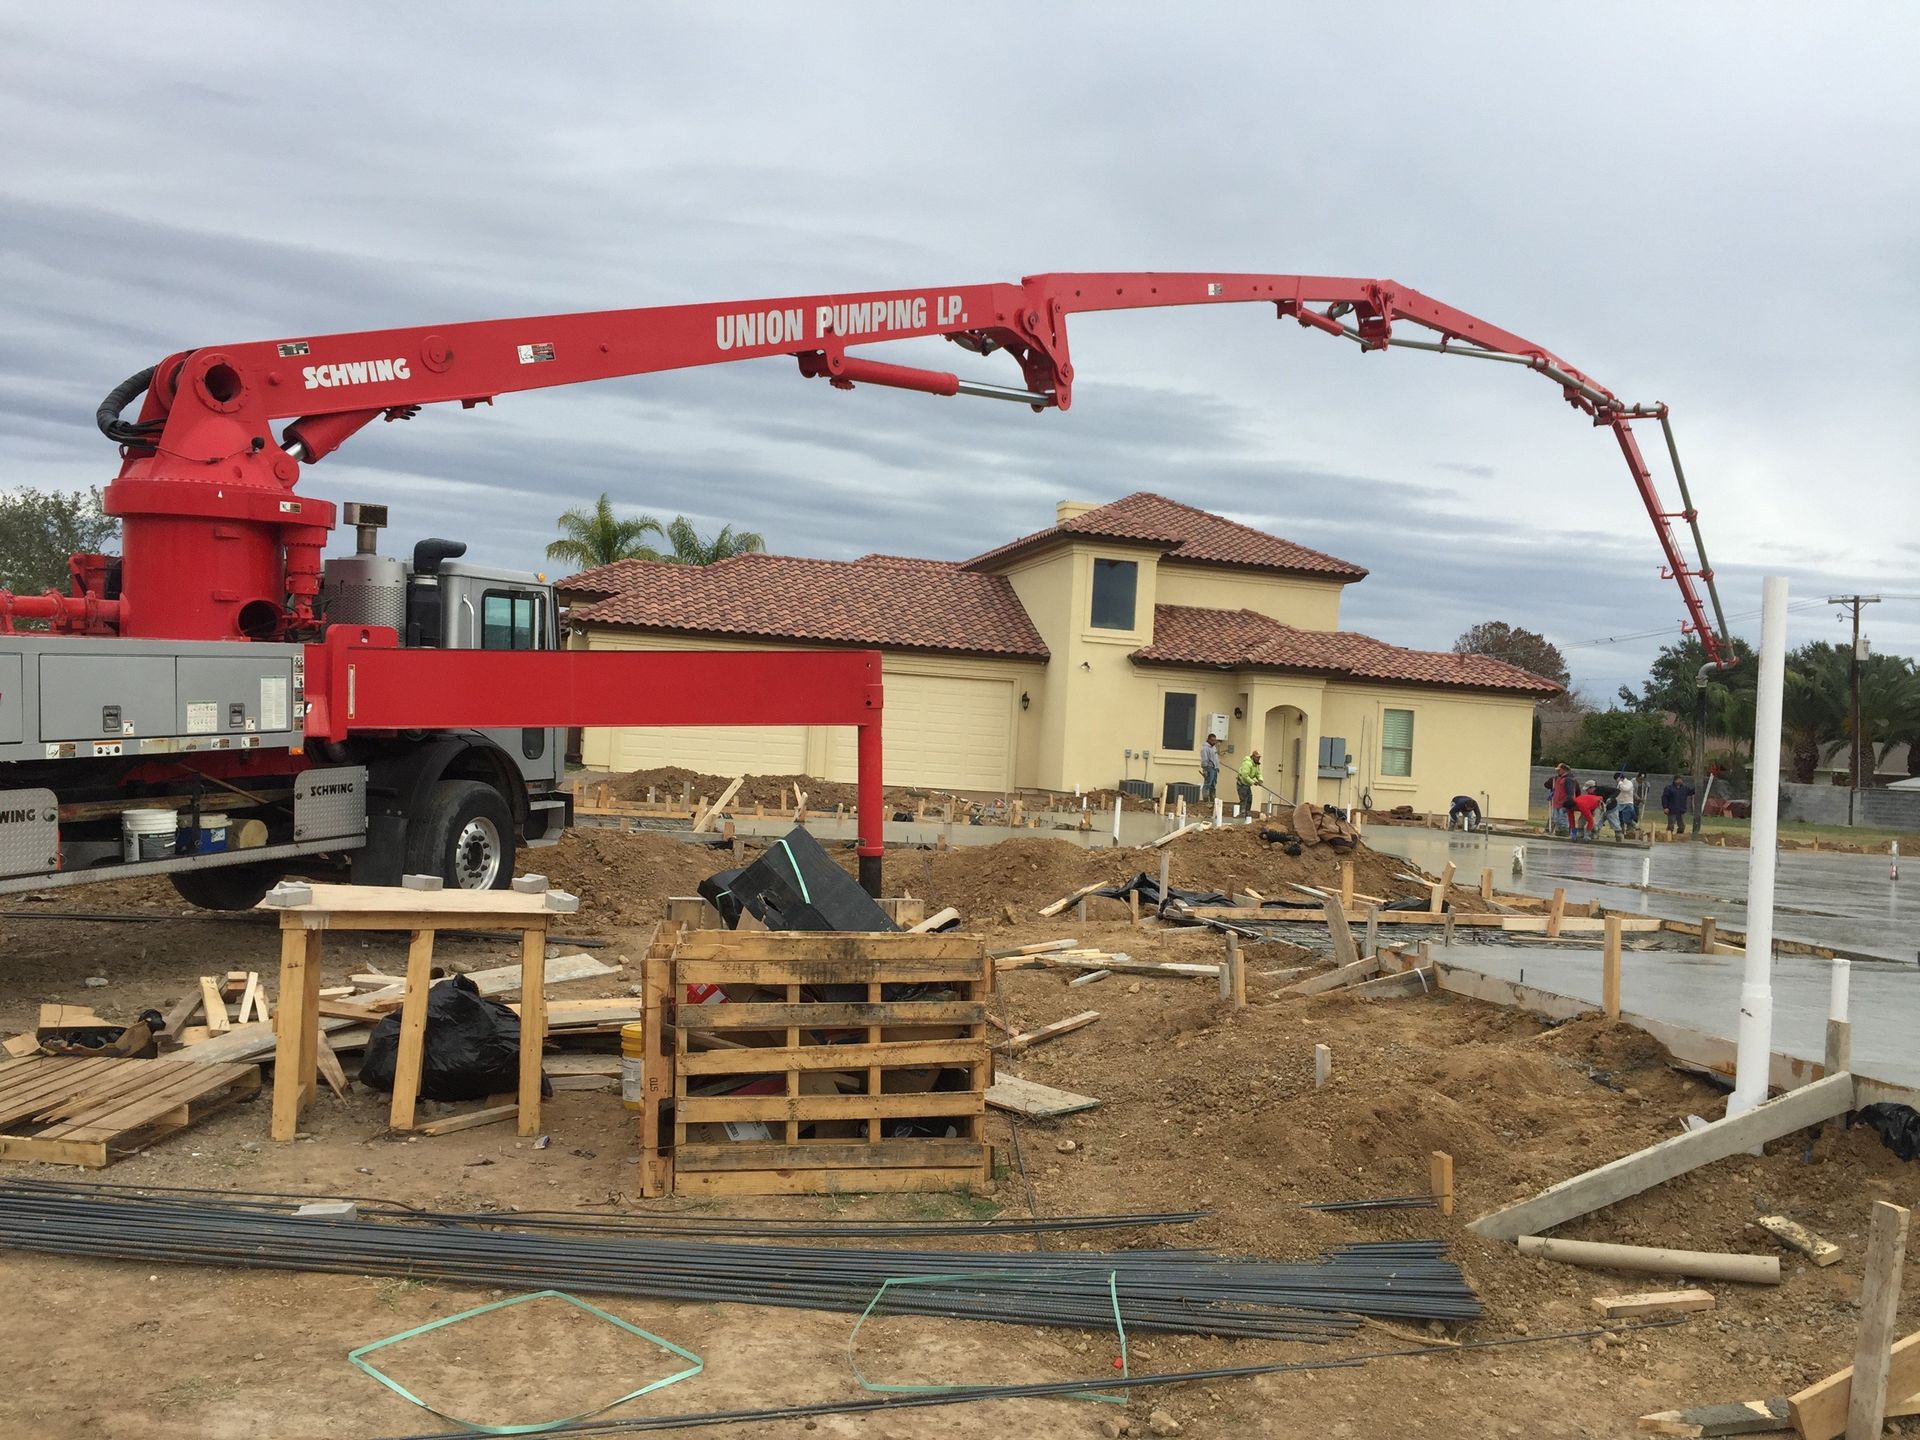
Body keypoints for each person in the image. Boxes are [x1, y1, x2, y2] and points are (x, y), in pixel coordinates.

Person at [1547, 763, 1578, 837]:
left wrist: (1568, 803)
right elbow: (1557, 789)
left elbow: (1570, 792)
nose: (1557, 771)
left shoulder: (1569, 779)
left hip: (1564, 804)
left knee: (1563, 820)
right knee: (1556, 819)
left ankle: (1564, 833)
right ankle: (1558, 833)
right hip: (1556, 803)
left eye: (1559, 770)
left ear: (1564, 770)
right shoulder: (1558, 778)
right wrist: (1552, 794)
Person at [1612, 770, 1638, 838]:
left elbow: (1626, 789)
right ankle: (1621, 833)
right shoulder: (1619, 784)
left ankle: (1634, 826)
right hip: (1619, 804)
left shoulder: (1629, 783)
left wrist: (1620, 783)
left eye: (1616, 780)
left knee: (1626, 819)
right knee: (1620, 820)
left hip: (1627, 803)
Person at [1235, 749, 1263, 814]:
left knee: (1249, 799)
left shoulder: (1256, 765)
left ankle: (1247, 813)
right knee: (1244, 799)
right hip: (1242, 784)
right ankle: (1242, 813)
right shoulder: (1247, 763)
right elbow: (1245, 776)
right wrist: (1253, 782)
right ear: (1253, 756)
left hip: (1247, 784)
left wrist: (1260, 779)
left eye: (1259, 757)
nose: (1258, 759)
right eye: (1257, 757)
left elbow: (1258, 773)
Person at [1199, 734, 1220, 805]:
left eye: (1215, 740)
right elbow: (1204, 760)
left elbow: (1216, 758)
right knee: (1208, 783)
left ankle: (1212, 800)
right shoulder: (1205, 748)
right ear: (1208, 739)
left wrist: (1217, 767)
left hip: (1214, 768)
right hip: (1208, 768)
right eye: (1212, 740)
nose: (1214, 742)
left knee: (1213, 784)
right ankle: (1206, 800)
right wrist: (1206, 769)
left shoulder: (1213, 748)